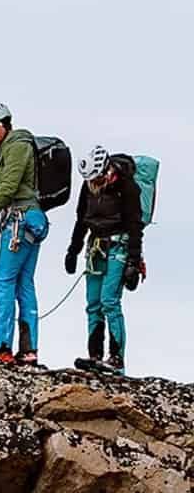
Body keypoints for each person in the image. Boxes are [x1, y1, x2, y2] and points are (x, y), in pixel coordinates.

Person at [0, 102, 48, 365]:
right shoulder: (18, 144)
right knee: (24, 283)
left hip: (19, 220)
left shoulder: (15, 146)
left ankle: (2, 345)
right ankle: (28, 351)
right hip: (32, 219)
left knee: (2, 281)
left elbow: (8, 188)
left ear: (6, 123)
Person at [65, 146, 143, 376]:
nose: (94, 183)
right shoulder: (88, 185)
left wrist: (133, 261)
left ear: (106, 170)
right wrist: (73, 250)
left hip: (119, 247)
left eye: (97, 178)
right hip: (95, 247)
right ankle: (95, 356)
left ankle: (117, 359)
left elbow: (135, 225)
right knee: (93, 303)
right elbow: (81, 219)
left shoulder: (127, 187)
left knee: (110, 301)